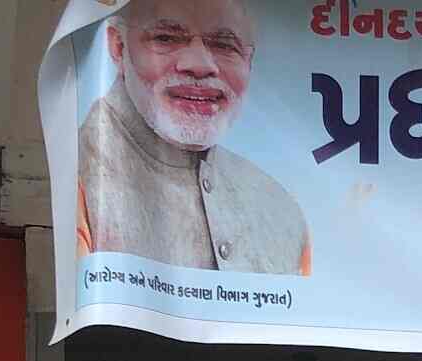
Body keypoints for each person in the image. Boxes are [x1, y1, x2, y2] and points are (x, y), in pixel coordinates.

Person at [76, 0, 312, 275]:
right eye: (166, 38)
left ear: (249, 60)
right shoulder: (79, 170)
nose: (199, 66)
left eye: (224, 45)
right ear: (118, 47)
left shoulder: (280, 211)